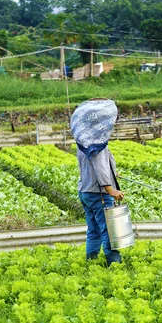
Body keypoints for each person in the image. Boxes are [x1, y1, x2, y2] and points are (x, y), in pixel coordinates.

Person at [70, 99, 124, 265]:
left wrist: (113, 174)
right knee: (108, 229)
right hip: (98, 193)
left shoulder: (84, 141)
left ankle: (91, 261)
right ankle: (114, 263)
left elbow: (94, 167)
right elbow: (100, 168)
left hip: (85, 192)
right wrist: (110, 189)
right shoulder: (97, 145)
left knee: (93, 229)